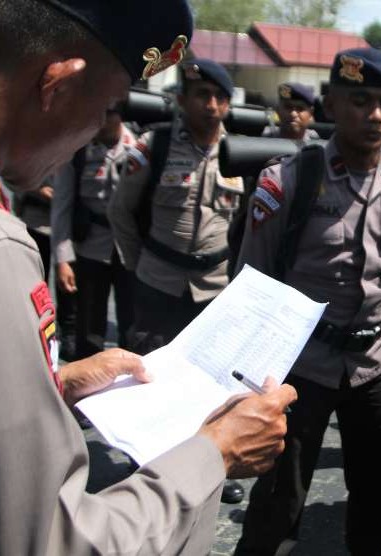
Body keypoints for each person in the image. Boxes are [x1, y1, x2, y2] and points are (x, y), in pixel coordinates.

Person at [0, 2, 296, 554]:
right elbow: (51, 541)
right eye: (107, 106)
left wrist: (53, 386)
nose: (100, 128)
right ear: (58, 85)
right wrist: (216, 452)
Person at [234, 47, 381, 555]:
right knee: (280, 500)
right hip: (302, 366)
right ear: (332, 104)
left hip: (374, 366)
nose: (376, 115)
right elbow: (251, 282)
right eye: (360, 100)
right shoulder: (288, 181)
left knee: (377, 500)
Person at [109, 57, 247, 505]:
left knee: (210, 382)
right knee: (149, 375)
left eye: (219, 97)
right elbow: (121, 211)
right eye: (201, 95)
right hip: (158, 278)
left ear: (228, 104)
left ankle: (210, 468)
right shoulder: (157, 145)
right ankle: (144, 464)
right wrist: (136, 266)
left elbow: (248, 224)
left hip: (215, 286)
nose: (210, 105)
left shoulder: (242, 154)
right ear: (183, 99)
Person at [51, 107, 137, 358]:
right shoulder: (78, 151)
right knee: (88, 330)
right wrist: (63, 259)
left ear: (120, 113)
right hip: (90, 248)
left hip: (130, 252)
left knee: (132, 327)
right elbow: (62, 206)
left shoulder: (141, 148)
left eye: (107, 113)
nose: (99, 121)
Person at [12, 174, 79, 360]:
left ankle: (68, 333)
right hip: (36, 221)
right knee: (34, 283)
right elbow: (10, 175)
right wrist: (36, 190)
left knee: (68, 284)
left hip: (70, 227)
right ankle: (34, 332)